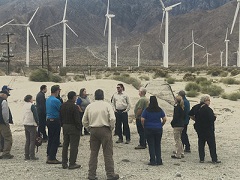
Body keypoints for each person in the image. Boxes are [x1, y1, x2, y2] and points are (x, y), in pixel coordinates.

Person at [83, 89, 119, 180]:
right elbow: (112, 118)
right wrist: (111, 128)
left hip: (93, 130)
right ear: (103, 96)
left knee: (93, 153)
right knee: (107, 153)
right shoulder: (107, 105)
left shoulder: (90, 106)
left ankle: (91, 174)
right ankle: (110, 174)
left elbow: (84, 120)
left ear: (95, 96)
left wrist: (88, 128)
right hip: (105, 129)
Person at [189, 95, 221, 164]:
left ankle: (201, 159)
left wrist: (196, 120)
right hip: (208, 129)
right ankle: (214, 159)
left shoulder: (196, 107)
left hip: (199, 129)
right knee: (211, 144)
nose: (209, 102)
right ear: (205, 101)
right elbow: (211, 119)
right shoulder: (208, 109)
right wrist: (215, 117)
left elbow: (190, 114)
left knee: (201, 144)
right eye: (208, 100)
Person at [141, 96, 167, 166]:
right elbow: (164, 119)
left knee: (151, 145)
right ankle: (159, 160)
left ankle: (152, 160)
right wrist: (161, 124)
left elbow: (142, 119)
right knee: (157, 144)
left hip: (149, 128)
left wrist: (144, 126)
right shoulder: (159, 109)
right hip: (158, 128)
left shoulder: (147, 110)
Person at [60, 91, 81, 169]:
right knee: (74, 145)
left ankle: (64, 162)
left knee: (65, 144)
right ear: (73, 97)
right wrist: (79, 127)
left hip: (65, 126)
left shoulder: (62, 105)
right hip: (73, 127)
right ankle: (72, 163)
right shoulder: (74, 107)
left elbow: (60, 116)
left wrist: (62, 125)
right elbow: (77, 119)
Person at [46, 85, 62, 164]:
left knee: (50, 138)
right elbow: (61, 109)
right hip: (55, 120)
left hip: (48, 119)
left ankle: (49, 154)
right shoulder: (56, 101)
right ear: (56, 91)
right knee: (55, 139)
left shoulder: (48, 99)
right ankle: (52, 157)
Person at [23, 95, 39, 160]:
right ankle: (32, 155)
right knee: (32, 140)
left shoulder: (24, 105)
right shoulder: (32, 106)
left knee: (27, 140)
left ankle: (26, 155)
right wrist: (37, 122)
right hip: (31, 124)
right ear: (30, 99)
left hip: (25, 123)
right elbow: (35, 115)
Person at [0, 90, 13, 159]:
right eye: (7, 95)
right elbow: (5, 114)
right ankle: (6, 153)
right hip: (2, 123)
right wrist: (6, 122)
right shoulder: (3, 101)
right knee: (8, 138)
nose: (7, 97)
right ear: (3, 94)